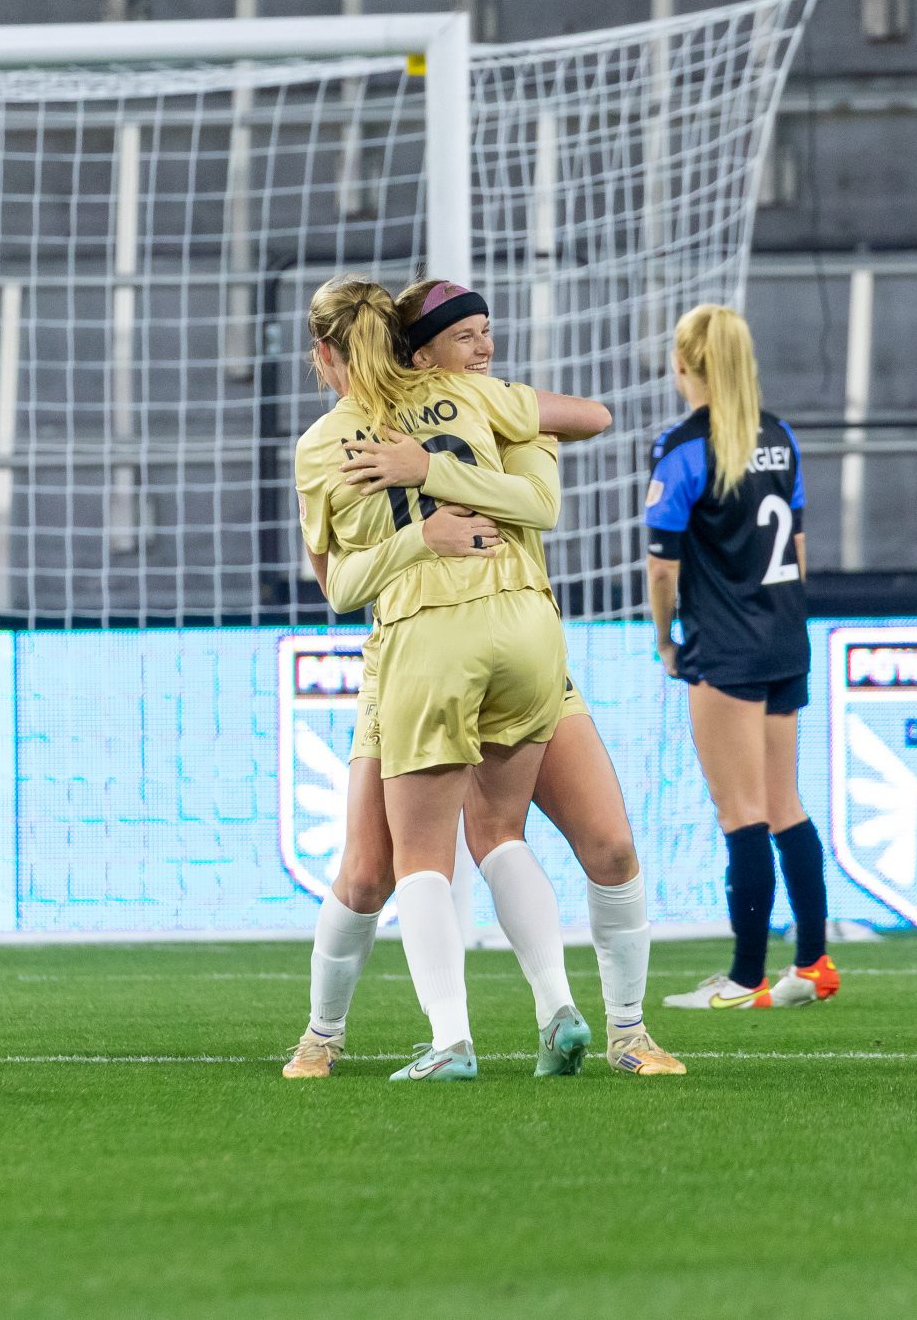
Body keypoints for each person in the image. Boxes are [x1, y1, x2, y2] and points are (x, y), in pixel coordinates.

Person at [282, 278, 682, 1078]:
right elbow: (590, 423)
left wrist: (432, 480)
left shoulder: (348, 435)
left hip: (442, 641)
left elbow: (338, 585)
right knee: (392, 860)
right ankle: (336, 1033)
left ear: (323, 352)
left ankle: (458, 1039)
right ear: (416, 348)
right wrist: (478, 462)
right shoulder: (469, 400)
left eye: (486, 332)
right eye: (468, 334)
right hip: (475, 637)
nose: (485, 346)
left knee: (419, 858)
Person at [646, 303, 837, 1012]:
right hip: (785, 636)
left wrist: (666, 640)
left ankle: (747, 977)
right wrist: (780, 621)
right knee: (786, 804)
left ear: (682, 365)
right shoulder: (780, 436)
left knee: (742, 811)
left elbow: (661, 569)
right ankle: (813, 963)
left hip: (725, 646)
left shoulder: (682, 447)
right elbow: (799, 548)